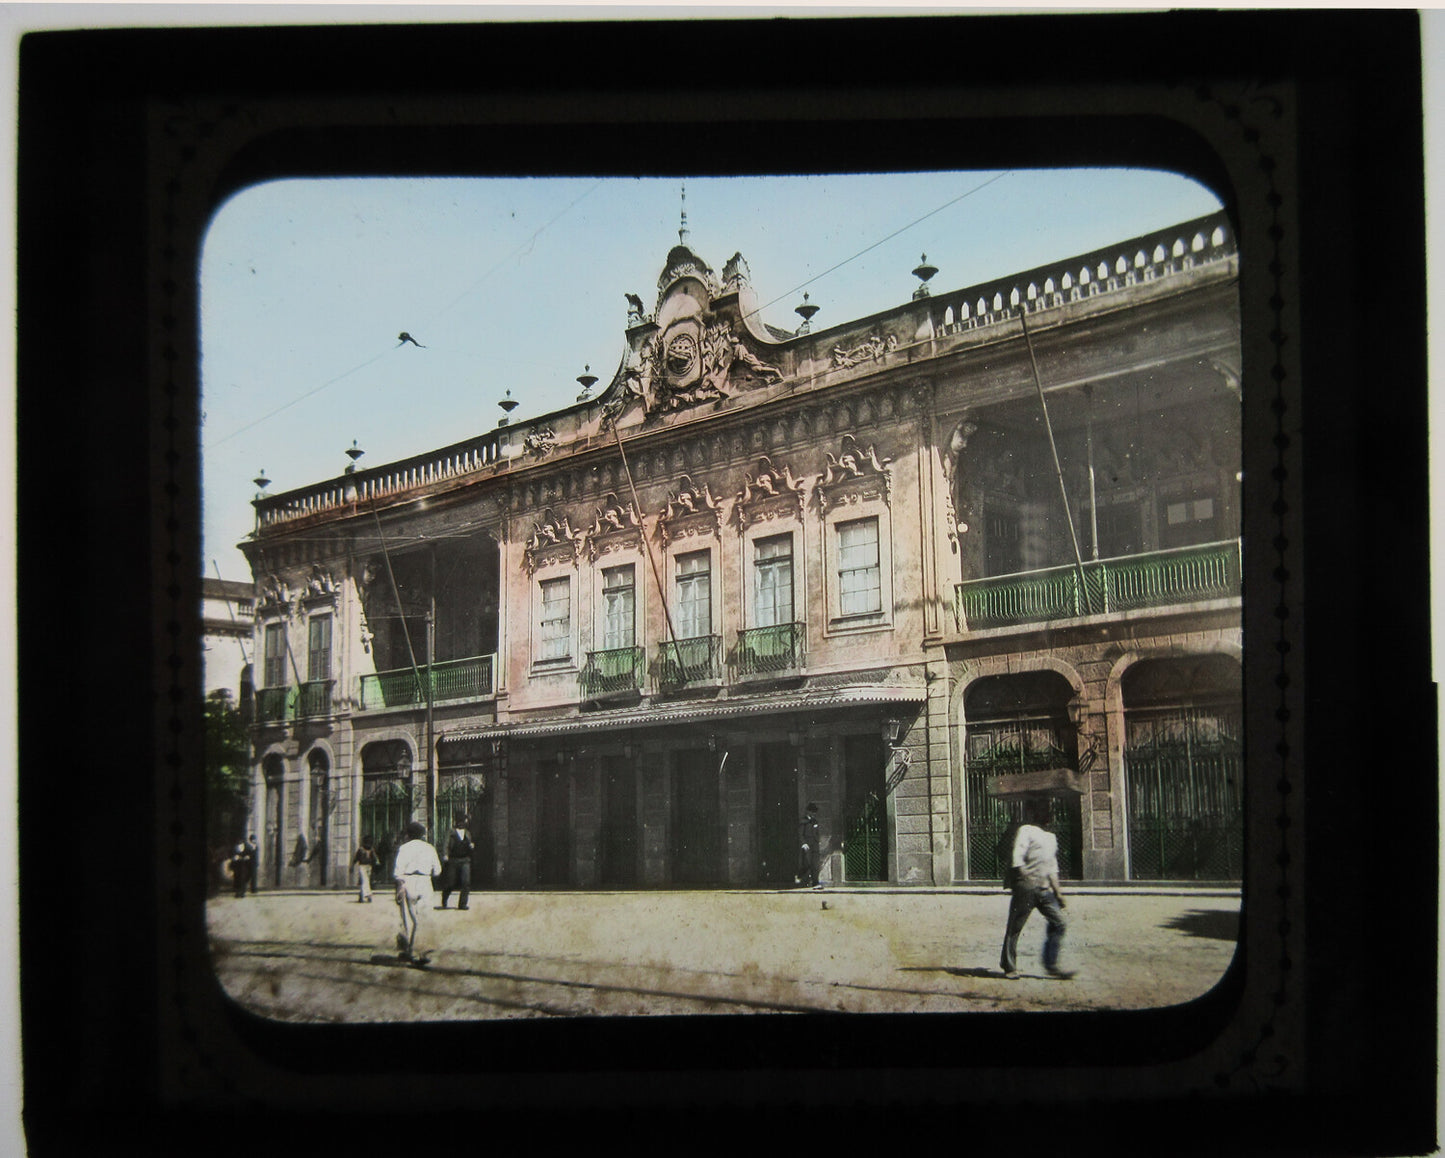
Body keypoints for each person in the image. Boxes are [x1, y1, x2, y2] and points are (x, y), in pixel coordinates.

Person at [999, 797, 1074, 980]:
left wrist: (1059, 893)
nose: (1049, 815)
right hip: (1026, 887)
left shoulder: (1051, 837)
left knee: (1059, 923)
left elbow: (1052, 867)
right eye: (1045, 811)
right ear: (1035, 813)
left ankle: (1051, 965)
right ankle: (1009, 966)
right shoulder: (1026, 830)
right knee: (1015, 928)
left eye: (1050, 812)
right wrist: (1024, 878)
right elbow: (1018, 856)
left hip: (1043, 890)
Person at [392, 820, 442, 961]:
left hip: (408, 881)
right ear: (422, 835)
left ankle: (409, 951)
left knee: (408, 918)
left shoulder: (404, 848)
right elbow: (437, 871)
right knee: (424, 917)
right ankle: (423, 952)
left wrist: (400, 885)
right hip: (425, 882)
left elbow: (398, 870)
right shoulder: (430, 848)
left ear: (408, 834)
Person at [439, 816, 474, 910]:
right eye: (460, 821)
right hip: (453, 860)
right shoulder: (451, 832)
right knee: (450, 883)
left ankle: (462, 904)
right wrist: (445, 854)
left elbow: (470, 843)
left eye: (463, 821)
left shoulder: (467, 833)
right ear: (456, 822)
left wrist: (471, 846)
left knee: (466, 882)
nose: (461, 823)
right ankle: (444, 899)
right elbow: (446, 844)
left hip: (465, 860)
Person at [797, 802, 821, 889]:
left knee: (815, 865)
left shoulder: (815, 821)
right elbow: (800, 834)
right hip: (807, 846)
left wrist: (818, 841)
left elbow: (817, 832)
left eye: (815, 812)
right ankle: (803, 881)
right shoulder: (803, 821)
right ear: (808, 812)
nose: (814, 814)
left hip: (815, 845)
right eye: (812, 812)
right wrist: (803, 843)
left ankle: (816, 883)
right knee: (807, 864)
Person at [352, 834, 379, 903]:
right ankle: (368, 895)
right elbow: (355, 859)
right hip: (362, 866)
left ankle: (361, 896)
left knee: (365, 881)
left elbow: (375, 857)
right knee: (365, 880)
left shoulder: (371, 849)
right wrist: (352, 866)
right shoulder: (360, 850)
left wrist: (377, 861)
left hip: (369, 867)